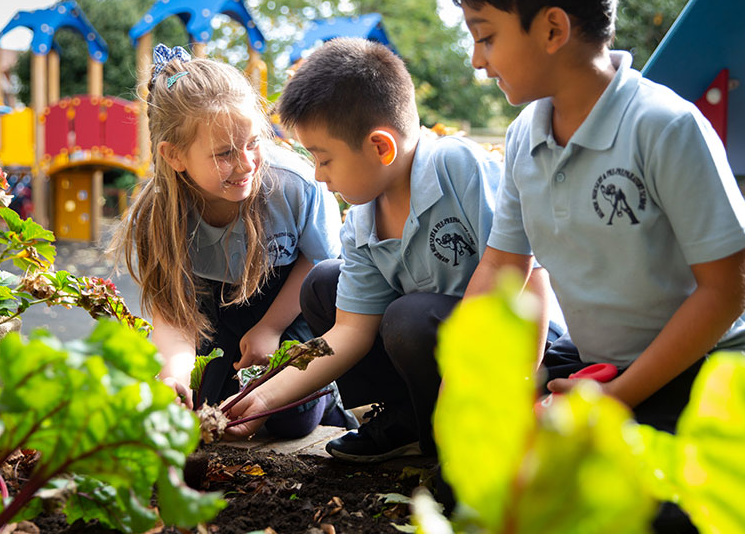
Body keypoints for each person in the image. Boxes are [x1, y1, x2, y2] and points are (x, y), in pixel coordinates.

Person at [453, 0, 745, 441]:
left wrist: (614, 400)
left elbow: (728, 287)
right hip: (602, 364)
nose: (477, 60)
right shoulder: (522, 137)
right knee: (470, 481)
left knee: (648, 511)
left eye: (487, 36)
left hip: (709, 369)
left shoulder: (664, 126)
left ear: (553, 28)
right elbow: (502, 266)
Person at [224, 37, 565, 462]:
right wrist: (265, 396)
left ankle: (452, 442)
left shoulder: (458, 167)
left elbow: (528, 275)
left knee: (408, 315)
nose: (317, 175)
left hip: (519, 349)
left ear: (380, 147)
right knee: (324, 283)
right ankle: (409, 420)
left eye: (324, 159)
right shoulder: (363, 218)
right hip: (432, 349)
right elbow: (348, 333)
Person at [113, 44, 355, 438]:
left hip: (292, 306)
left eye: (254, 142)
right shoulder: (157, 214)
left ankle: (332, 404)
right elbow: (174, 311)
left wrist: (270, 329)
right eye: (224, 153)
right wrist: (175, 368)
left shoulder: (293, 185)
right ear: (174, 155)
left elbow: (318, 265)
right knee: (209, 411)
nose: (245, 164)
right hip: (213, 312)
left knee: (290, 417)